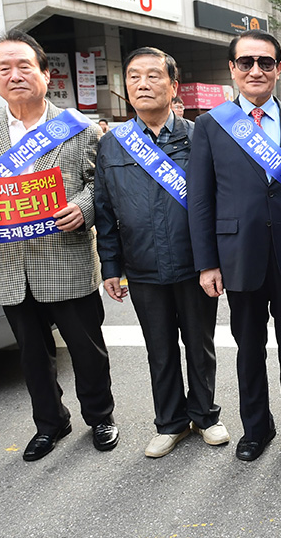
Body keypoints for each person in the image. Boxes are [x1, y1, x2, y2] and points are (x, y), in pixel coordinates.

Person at [0, 29, 118, 461]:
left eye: (24, 66)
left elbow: (101, 184)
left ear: (44, 72)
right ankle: (50, 423)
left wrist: (83, 207)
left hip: (65, 258)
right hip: (8, 267)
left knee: (87, 350)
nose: (15, 75)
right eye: (4, 68)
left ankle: (101, 417)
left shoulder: (77, 128)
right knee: (32, 357)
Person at [188, 30, 281, 464]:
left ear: (279, 69)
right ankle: (256, 428)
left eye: (265, 63)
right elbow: (200, 198)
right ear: (232, 68)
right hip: (238, 255)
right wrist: (207, 262)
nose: (255, 70)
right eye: (246, 62)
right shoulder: (211, 125)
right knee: (248, 348)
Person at [94, 47, 229, 458]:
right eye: (134, 77)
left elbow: (218, 200)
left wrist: (215, 261)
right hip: (143, 265)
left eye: (153, 76)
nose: (142, 84)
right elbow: (104, 208)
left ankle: (205, 415)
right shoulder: (114, 144)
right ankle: (170, 422)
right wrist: (112, 267)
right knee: (160, 348)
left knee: (200, 344)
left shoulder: (199, 135)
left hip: (195, 266)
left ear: (173, 87)